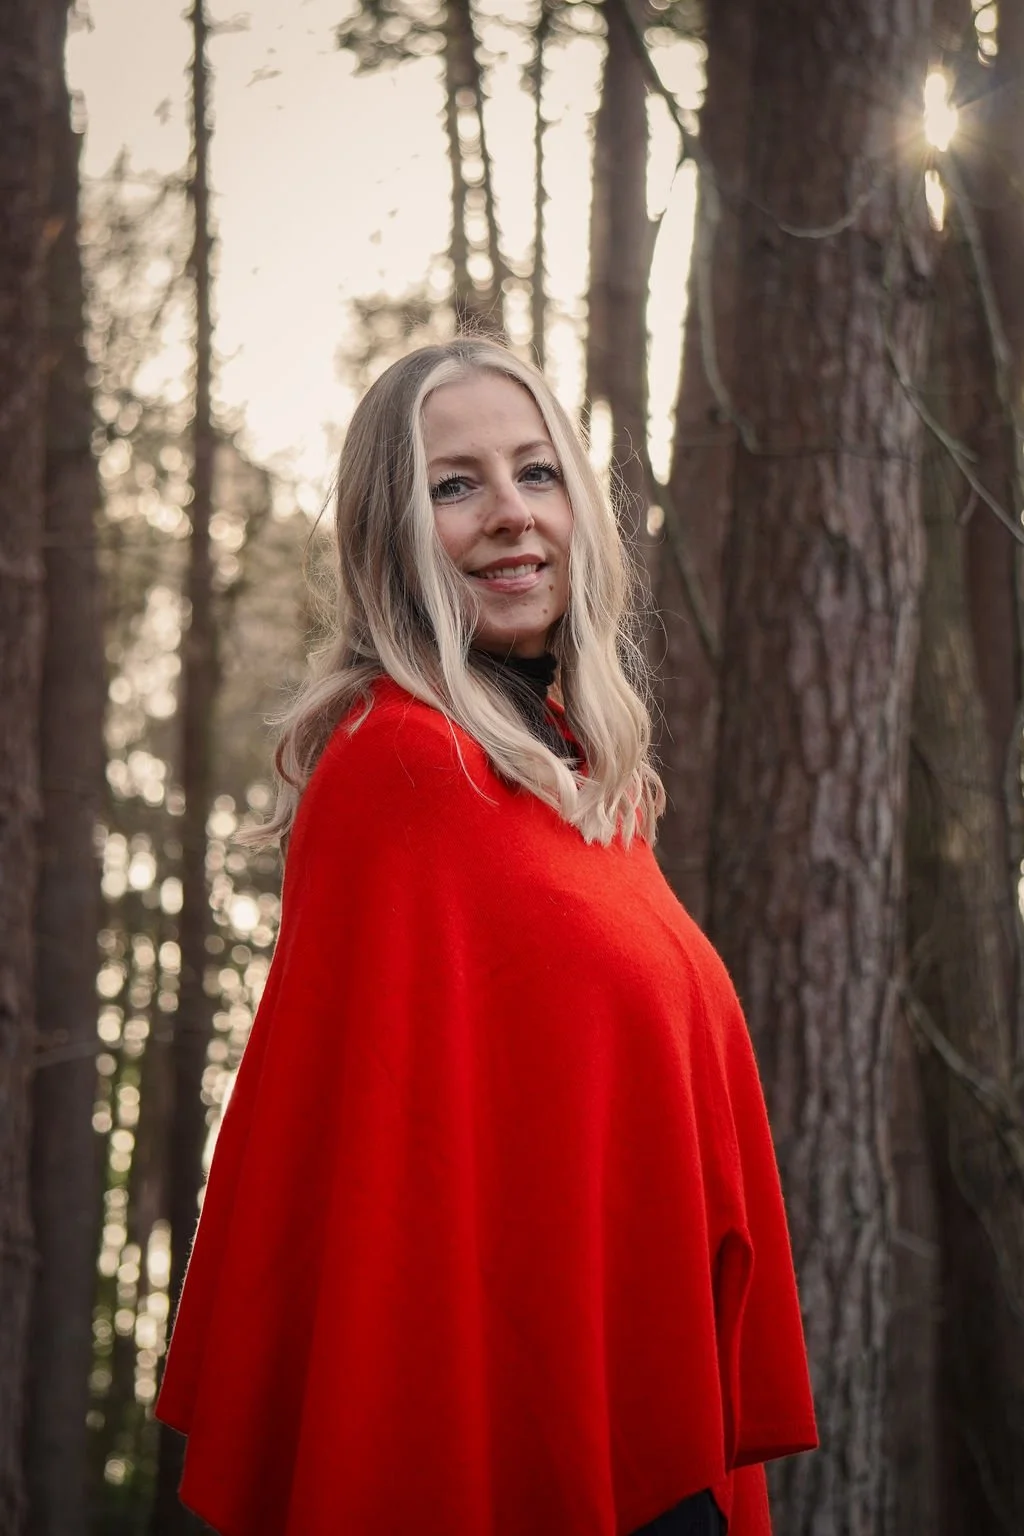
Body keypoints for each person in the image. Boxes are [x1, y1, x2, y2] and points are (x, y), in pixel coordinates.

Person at [155, 337, 818, 1535]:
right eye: (454, 485)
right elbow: (398, 1191)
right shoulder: (403, 769)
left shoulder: (574, 779)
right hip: (506, 1438)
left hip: (642, 1420)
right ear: (387, 534)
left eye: (535, 472)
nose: (510, 514)